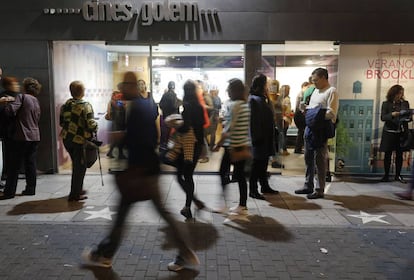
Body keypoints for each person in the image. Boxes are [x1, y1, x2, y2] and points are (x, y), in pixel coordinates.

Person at [82, 71, 200, 272]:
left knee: (130, 215)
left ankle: (105, 254)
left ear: (132, 86)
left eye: (124, 86)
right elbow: (150, 136)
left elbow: (139, 139)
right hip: (146, 170)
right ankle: (105, 254)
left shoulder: (137, 108)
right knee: (135, 214)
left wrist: (116, 138)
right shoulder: (147, 104)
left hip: (138, 172)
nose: (121, 90)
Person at [294, 68, 339, 199]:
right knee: (308, 158)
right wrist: (307, 109)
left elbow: (332, 113)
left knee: (320, 160)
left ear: (324, 78)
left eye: (316, 80)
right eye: (313, 80)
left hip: (320, 130)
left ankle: (319, 189)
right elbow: (311, 108)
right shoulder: (314, 90)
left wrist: (313, 113)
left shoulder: (332, 91)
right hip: (309, 128)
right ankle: (308, 185)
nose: (314, 83)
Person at [0, 78, 41, 199]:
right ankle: (30, 189)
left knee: (14, 165)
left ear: (25, 87)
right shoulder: (35, 100)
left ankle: (9, 192)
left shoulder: (21, 97)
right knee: (30, 163)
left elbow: (10, 111)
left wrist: (6, 103)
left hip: (21, 136)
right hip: (35, 135)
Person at [213, 78, 250, 214]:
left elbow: (228, 129)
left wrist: (218, 144)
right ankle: (242, 205)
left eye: (229, 88)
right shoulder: (245, 104)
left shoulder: (235, 106)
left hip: (232, 146)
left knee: (223, 173)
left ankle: (223, 204)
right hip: (242, 144)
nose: (227, 91)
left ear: (235, 90)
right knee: (240, 176)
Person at [59, 81, 98, 201]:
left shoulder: (65, 105)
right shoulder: (85, 105)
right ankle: (75, 194)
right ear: (82, 91)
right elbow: (91, 124)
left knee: (77, 165)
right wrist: (96, 126)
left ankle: (78, 189)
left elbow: (61, 122)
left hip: (67, 139)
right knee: (79, 168)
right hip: (80, 141)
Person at [175, 80, 206, 219]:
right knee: (187, 175)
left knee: (182, 176)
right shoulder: (199, 106)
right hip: (197, 144)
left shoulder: (186, 106)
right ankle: (192, 202)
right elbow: (202, 124)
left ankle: (190, 204)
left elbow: (185, 127)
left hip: (187, 146)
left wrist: (176, 124)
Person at [248, 74, 279, 200]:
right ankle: (253, 189)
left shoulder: (262, 98)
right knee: (257, 164)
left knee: (263, 163)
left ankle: (264, 185)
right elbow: (253, 121)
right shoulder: (254, 99)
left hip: (265, 137)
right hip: (259, 138)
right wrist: (256, 138)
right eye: (267, 84)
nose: (268, 86)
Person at [379, 84, 410, 183]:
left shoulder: (405, 103)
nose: (400, 96)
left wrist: (408, 118)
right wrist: (392, 114)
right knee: (387, 154)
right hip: (389, 132)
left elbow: (408, 117)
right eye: (398, 93)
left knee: (399, 155)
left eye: (401, 93)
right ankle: (386, 175)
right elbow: (383, 117)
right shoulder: (386, 103)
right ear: (393, 93)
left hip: (400, 132)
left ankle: (398, 175)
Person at [0, 77, 20, 189]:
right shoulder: (5, 97)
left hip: (11, 130)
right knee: (8, 155)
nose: (17, 86)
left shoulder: (17, 96)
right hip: (7, 130)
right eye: (14, 84)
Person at [105, 90, 127, 159]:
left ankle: (111, 152)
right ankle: (119, 154)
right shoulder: (115, 102)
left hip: (118, 122)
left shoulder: (114, 102)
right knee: (118, 139)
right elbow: (122, 107)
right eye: (117, 95)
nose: (118, 97)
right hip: (117, 123)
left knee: (117, 139)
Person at [159, 81, 181, 148]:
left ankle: (164, 146)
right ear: (174, 87)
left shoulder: (164, 95)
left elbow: (160, 105)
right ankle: (170, 148)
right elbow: (174, 106)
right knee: (172, 135)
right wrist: (180, 103)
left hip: (166, 117)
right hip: (173, 118)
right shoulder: (174, 95)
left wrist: (165, 110)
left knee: (166, 133)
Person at [294, 81, 310, 154]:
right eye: (308, 87)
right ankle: (298, 149)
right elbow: (302, 106)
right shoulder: (302, 94)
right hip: (300, 114)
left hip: (298, 114)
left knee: (301, 131)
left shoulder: (301, 93)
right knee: (301, 132)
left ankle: (298, 148)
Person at [208, 85, 222, 151]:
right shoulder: (218, 98)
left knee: (212, 132)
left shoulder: (212, 98)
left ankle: (211, 147)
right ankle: (211, 146)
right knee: (213, 132)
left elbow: (212, 108)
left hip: (212, 116)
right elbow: (219, 107)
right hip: (216, 115)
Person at [281, 85, 292, 155]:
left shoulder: (284, 99)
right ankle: (284, 149)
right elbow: (286, 110)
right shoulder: (286, 100)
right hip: (285, 119)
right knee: (283, 135)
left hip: (284, 119)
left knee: (283, 134)